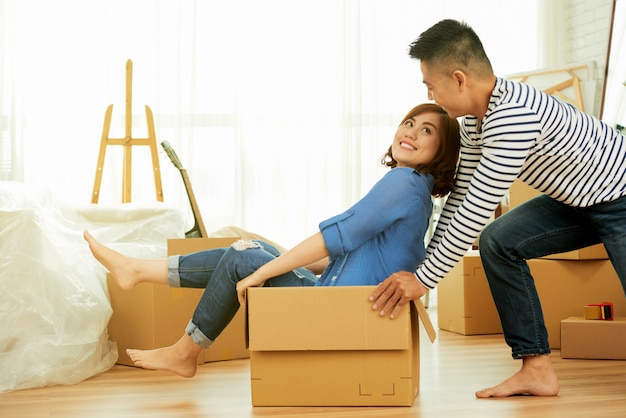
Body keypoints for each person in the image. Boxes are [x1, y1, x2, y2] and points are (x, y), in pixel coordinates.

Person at [85, 102, 460, 378]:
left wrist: (257, 272)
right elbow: (347, 256)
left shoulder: (402, 183)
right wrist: (273, 257)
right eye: (409, 122)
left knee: (242, 258)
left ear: (442, 152)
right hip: (345, 300)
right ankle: (136, 270)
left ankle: (186, 351)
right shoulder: (417, 194)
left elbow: (335, 239)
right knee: (252, 250)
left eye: (427, 130)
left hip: (338, 309)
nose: (411, 131)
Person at [370, 19, 626, 398]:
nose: (430, 94)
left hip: (619, 197)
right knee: (499, 240)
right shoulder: (477, 120)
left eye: (431, 86)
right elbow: (461, 197)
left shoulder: (512, 118)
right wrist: (422, 265)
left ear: (458, 79)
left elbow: (476, 210)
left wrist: (424, 279)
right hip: (577, 201)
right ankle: (536, 368)